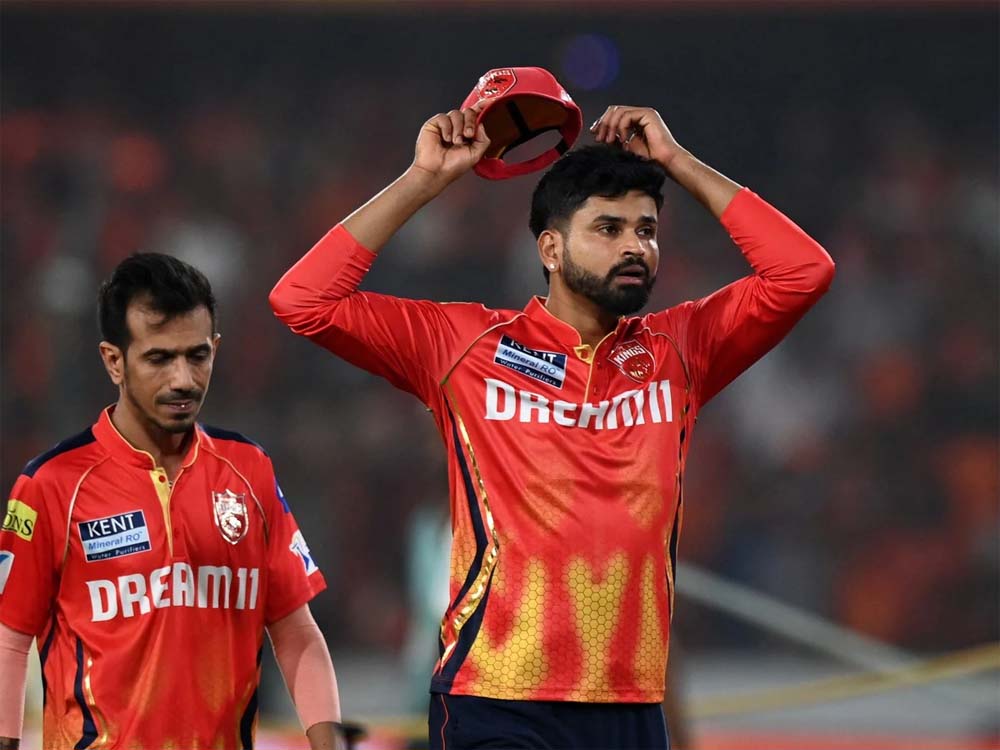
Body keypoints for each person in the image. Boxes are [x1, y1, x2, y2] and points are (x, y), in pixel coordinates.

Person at [269, 102, 835, 749]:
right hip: (495, 699)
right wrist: (421, 181)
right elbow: (302, 301)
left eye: (647, 230)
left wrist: (678, 161)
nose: (635, 247)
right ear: (551, 247)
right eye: (609, 228)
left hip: (629, 707)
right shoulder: (465, 345)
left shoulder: (680, 350)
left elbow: (804, 272)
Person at [0, 254, 346, 750]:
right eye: (159, 359)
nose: (183, 379)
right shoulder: (52, 484)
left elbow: (295, 631)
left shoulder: (249, 470)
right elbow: (10, 642)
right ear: (114, 361)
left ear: (215, 349)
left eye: (197, 355)